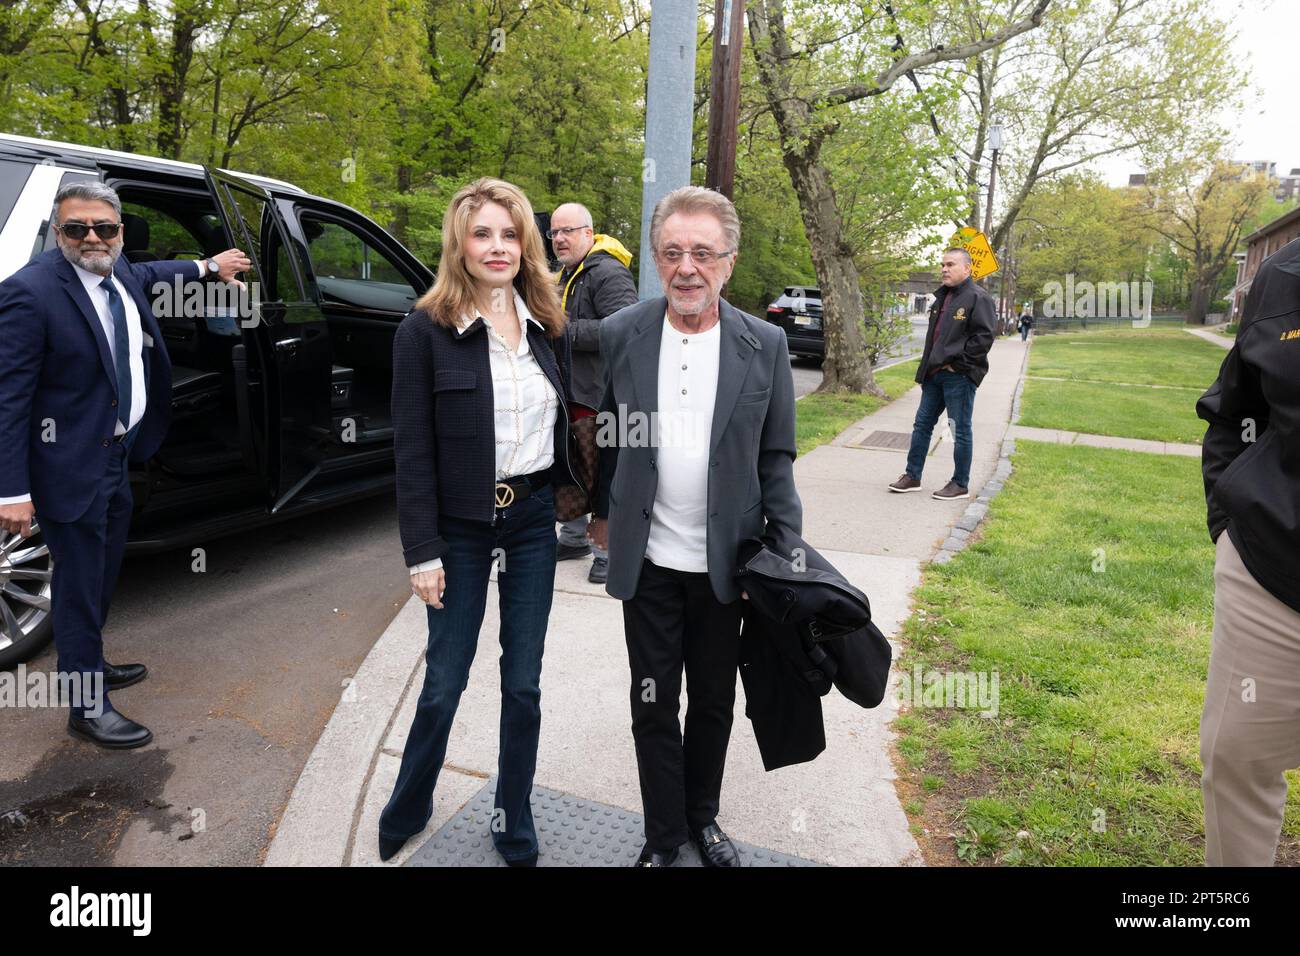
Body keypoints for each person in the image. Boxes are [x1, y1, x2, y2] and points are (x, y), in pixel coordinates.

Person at [588, 186, 801, 867]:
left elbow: (777, 459)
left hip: (726, 568)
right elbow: (609, 437)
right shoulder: (623, 334)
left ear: (728, 263)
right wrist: (600, 512)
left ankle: (701, 820)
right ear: (655, 259)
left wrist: (783, 555)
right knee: (653, 704)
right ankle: (662, 836)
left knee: (711, 702)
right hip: (648, 563)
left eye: (702, 253)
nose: (687, 268)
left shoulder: (763, 344)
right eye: (673, 252)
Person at [0, 181, 248, 748]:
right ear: (56, 231)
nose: (92, 238)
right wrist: (10, 489)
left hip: (117, 458)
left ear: (118, 232)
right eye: (77, 228)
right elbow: (8, 400)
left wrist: (207, 266)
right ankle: (86, 706)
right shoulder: (29, 294)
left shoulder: (122, 271)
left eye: (105, 228)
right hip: (66, 466)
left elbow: (158, 275)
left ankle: (91, 658)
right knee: (80, 583)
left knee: (106, 572)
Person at [379, 178, 581, 866]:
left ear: (526, 244)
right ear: (458, 245)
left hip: (529, 521)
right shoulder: (423, 331)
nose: (497, 247)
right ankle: (409, 802)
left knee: (523, 683)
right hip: (459, 527)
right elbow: (411, 450)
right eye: (481, 233)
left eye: (509, 233)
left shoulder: (546, 328)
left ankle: (511, 812)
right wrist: (421, 551)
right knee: (445, 680)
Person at [1195, 235, 1300, 867]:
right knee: (1235, 756)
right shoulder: (1284, 272)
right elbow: (1236, 410)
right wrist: (1229, 518)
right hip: (1275, 568)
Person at [548, 202, 637, 584]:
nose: (560, 239)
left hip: (598, 398)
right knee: (569, 469)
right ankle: (572, 539)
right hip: (568, 394)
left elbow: (625, 331)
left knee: (600, 475)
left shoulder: (608, 272)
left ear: (589, 233)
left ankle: (605, 550)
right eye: (554, 232)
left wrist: (559, 330)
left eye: (569, 231)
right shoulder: (567, 273)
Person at [888, 248, 996, 501]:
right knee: (922, 425)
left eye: (950, 264)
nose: (944, 269)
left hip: (958, 377)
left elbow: (984, 337)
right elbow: (934, 339)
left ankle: (960, 483)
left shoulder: (978, 298)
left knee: (958, 429)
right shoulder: (942, 298)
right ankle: (912, 476)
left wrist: (959, 366)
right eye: (942, 265)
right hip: (933, 375)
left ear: (967, 269)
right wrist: (928, 369)